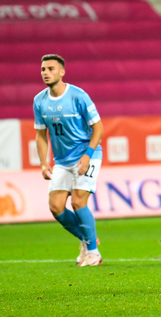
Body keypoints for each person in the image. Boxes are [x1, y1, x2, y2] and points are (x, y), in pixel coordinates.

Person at [33, 54, 104, 266]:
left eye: (51, 69)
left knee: (78, 200)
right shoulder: (39, 101)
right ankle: (86, 239)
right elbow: (40, 134)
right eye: (43, 69)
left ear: (62, 72)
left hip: (87, 154)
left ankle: (94, 253)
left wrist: (87, 155)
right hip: (62, 161)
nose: (46, 72)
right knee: (56, 207)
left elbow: (98, 128)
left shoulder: (78, 96)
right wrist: (44, 163)